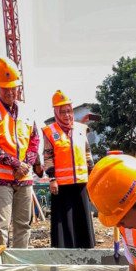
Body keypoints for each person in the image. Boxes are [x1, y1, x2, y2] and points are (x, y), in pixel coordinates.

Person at [0, 57, 40, 250]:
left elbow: (34, 140)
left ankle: (20, 267)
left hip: (24, 178)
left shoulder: (27, 110)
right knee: (1, 228)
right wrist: (15, 164)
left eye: (14, 88)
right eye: (6, 88)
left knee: (23, 225)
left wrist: (26, 165)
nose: (11, 92)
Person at [41, 90, 95, 248]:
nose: (67, 115)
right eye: (63, 112)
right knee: (63, 221)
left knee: (83, 218)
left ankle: (86, 251)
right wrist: (52, 179)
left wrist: (92, 175)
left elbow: (87, 154)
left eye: (69, 111)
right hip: (61, 186)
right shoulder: (50, 132)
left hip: (81, 182)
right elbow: (48, 156)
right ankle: (63, 252)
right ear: (56, 113)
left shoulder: (81, 129)